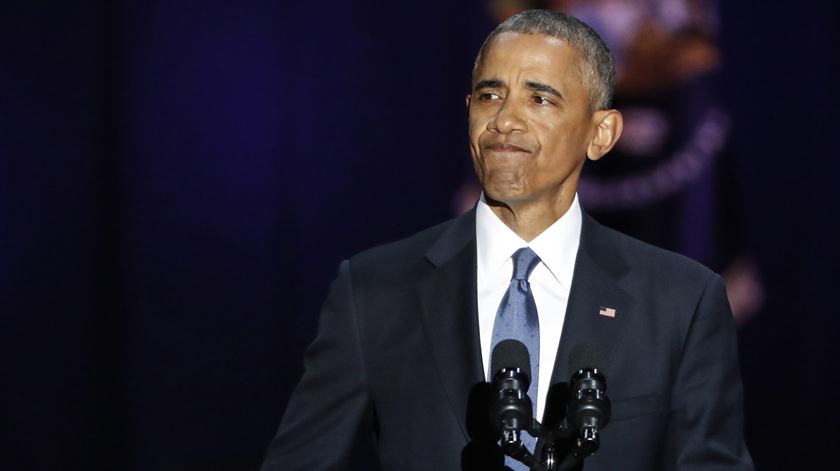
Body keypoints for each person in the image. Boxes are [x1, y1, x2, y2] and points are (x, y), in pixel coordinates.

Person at [262, 10, 753, 471]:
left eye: (539, 99)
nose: (504, 121)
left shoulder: (680, 301)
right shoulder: (372, 290)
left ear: (601, 134)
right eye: (490, 96)